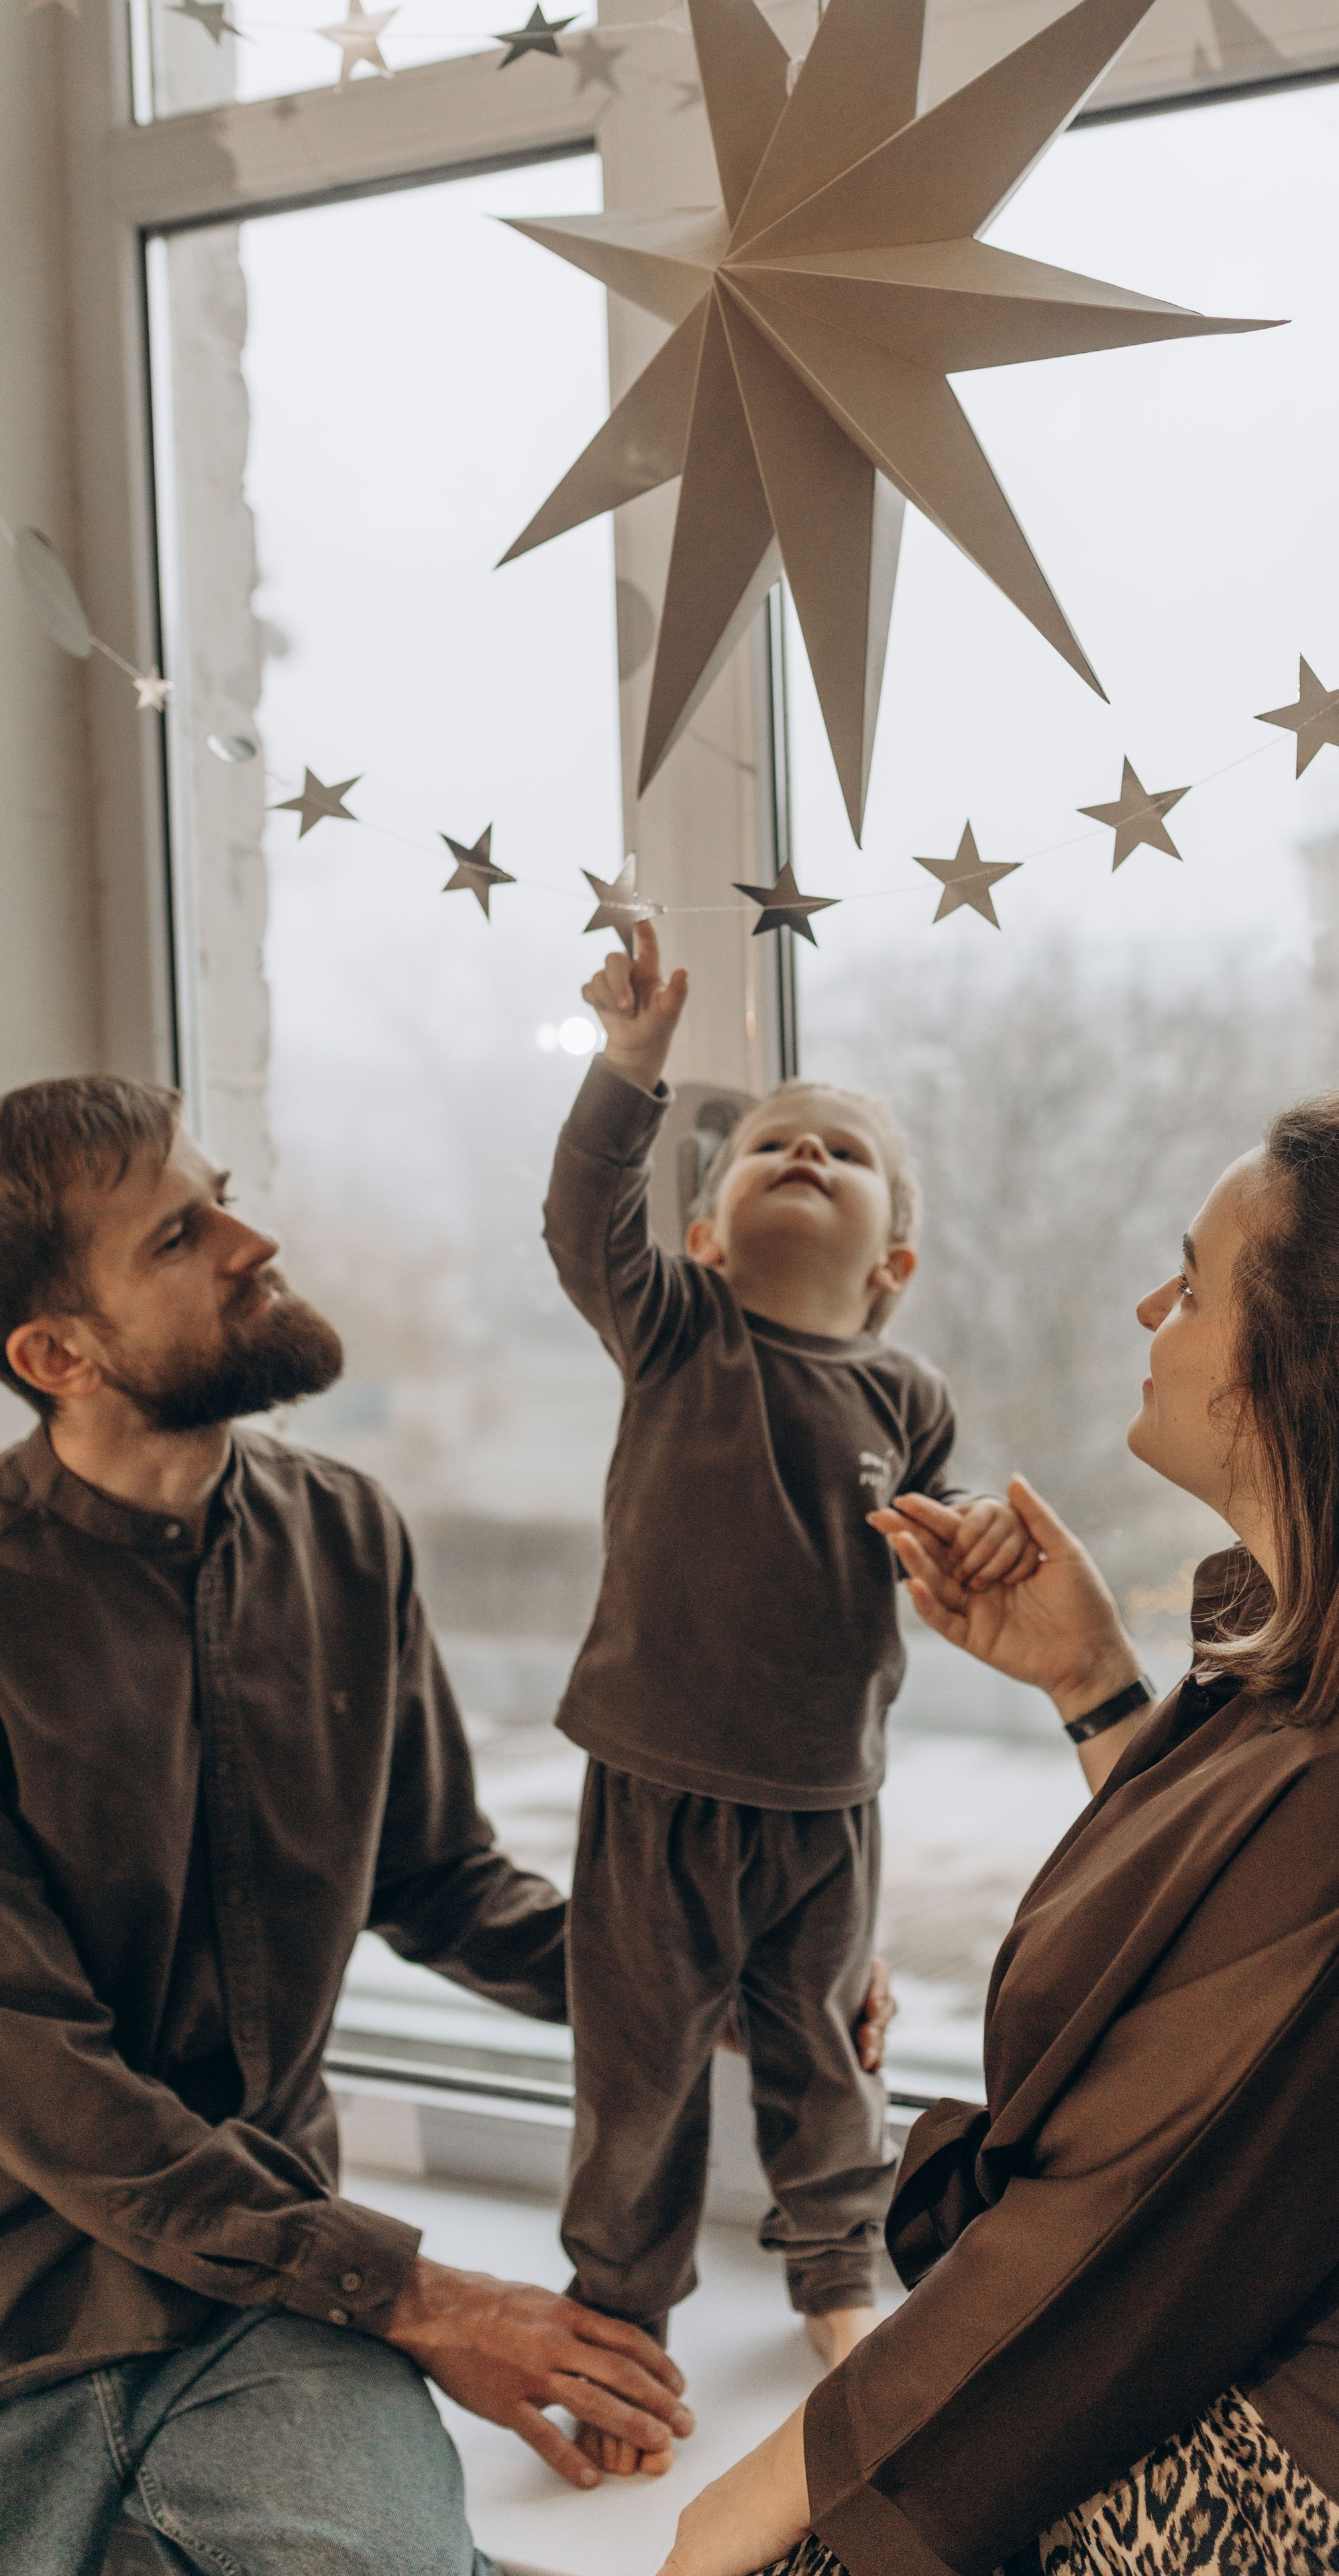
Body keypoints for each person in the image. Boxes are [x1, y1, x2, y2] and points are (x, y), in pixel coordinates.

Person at [652, 1086, 1339, 2576]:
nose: (1152, 1308)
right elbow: (1255, 1977)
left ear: (1298, 1384)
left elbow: (1118, 2233)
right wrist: (1090, 1682)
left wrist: (750, 2509)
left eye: (1192, 1286)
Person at [0, 1071, 708, 2575]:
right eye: (178, 1236)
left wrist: (723, 1982)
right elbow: (51, 2088)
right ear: (58, 1355)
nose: (251, 1243)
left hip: (274, 2311)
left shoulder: (349, 1532)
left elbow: (441, 1883)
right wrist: (423, 2298)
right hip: (10, 2327)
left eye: (223, 1198)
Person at [545, 922, 1034, 2466]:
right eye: (769, 1144)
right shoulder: (675, 1333)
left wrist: (982, 1536)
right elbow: (581, 1218)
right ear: (703, 1233)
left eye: (841, 1151)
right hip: (653, 1784)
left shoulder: (907, 1397)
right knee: (637, 2074)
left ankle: (837, 2279)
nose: (803, 1153)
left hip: (828, 1803)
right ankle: (619, 2310)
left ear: (891, 1267)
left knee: (827, 2061)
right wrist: (630, 1069)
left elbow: (942, 1536)